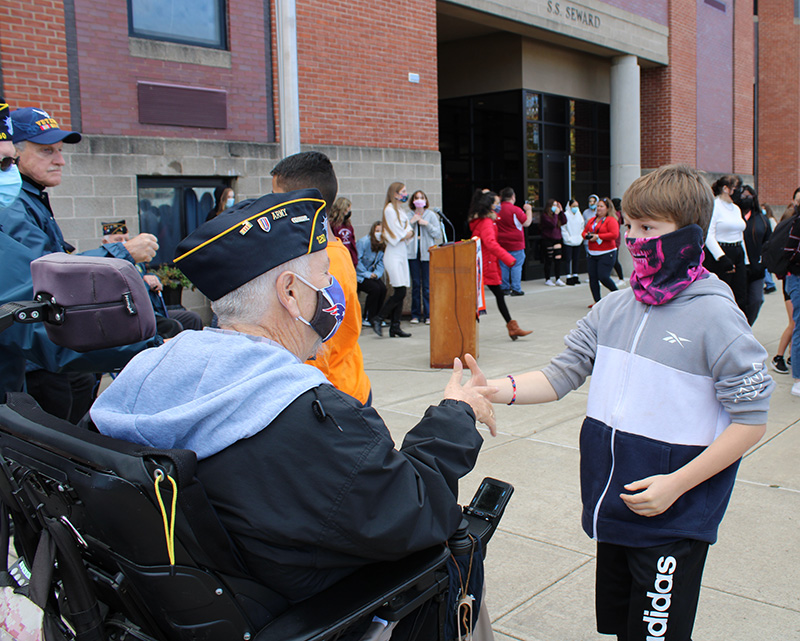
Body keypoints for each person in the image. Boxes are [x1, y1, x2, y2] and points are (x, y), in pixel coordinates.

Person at [89, 190, 497, 628]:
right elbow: (416, 510)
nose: (331, 292)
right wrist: (456, 413)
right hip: (311, 612)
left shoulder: (149, 375)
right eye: (323, 278)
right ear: (288, 291)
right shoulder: (308, 416)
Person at [483, 164, 772, 641]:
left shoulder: (717, 316)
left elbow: (751, 420)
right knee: (624, 631)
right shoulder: (615, 306)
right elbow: (562, 373)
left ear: (688, 236)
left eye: (648, 228)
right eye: (631, 226)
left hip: (674, 518)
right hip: (617, 507)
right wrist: (492, 388)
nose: (634, 240)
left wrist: (677, 485)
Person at [1, 106, 159, 421]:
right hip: (41, 362)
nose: (60, 160)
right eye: (47, 151)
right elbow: (39, 287)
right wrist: (121, 254)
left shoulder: (28, 198)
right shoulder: (14, 207)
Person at [270, 151, 371, 405]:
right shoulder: (323, 253)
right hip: (343, 387)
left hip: (335, 396)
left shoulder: (325, 265)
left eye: (277, 201)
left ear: (303, 204)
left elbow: (317, 347)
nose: (271, 209)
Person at [101, 220, 204, 335]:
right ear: (105, 242)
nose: (124, 243)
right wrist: (144, 282)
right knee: (172, 326)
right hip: (133, 315)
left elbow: (145, 274)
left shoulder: (135, 260)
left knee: (192, 318)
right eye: (118, 240)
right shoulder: (105, 265)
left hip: (153, 310)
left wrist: (153, 278)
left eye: (126, 239)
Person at [469, 190, 531, 341]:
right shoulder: (486, 223)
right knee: (478, 299)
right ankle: (469, 333)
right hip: (485, 264)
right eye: (496, 203)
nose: (499, 206)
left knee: (486, 297)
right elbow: (490, 243)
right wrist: (507, 258)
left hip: (484, 262)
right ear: (489, 205)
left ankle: (512, 327)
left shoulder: (483, 221)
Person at [372, 182, 412, 338]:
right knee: (399, 290)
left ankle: (395, 326)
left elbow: (409, 230)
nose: (405, 194)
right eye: (403, 191)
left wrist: (406, 234)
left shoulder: (401, 210)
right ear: (395, 193)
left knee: (401, 291)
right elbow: (398, 233)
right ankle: (379, 317)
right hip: (393, 253)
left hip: (402, 253)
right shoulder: (389, 210)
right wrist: (405, 234)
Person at [704, 174, 747, 314]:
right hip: (722, 254)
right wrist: (721, 257)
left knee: (740, 296)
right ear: (726, 188)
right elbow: (709, 234)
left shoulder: (736, 208)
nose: (739, 192)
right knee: (723, 296)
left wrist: (746, 260)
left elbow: (740, 234)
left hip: (737, 251)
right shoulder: (715, 206)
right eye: (737, 188)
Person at [407, 189, 443, 323]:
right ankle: (415, 315)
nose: (419, 200)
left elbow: (437, 234)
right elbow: (403, 230)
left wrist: (425, 224)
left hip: (427, 254)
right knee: (416, 285)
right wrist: (412, 221)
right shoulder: (408, 215)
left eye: (421, 198)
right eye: (416, 198)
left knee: (427, 286)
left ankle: (428, 314)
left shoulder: (431, 215)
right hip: (413, 253)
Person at [771, 204, 798, 375]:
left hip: (790, 279)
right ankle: (778, 357)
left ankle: (791, 356)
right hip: (791, 280)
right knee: (794, 323)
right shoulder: (792, 229)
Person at [739, 185, 771, 325]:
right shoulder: (735, 216)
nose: (746, 199)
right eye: (743, 196)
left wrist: (763, 263)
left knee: (756, 300)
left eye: (749, 196)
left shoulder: (762, 219)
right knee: (739, 301)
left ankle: (747, 326)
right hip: (739, 267)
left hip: (757, 268)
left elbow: (769, 242)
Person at [495, 187, 533, 296]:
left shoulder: (497, 209)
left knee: (503, 266)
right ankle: (516, 288)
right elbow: (526, 222)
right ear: (513, 197)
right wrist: (529, 210)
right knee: (516, 266)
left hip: (501, 242)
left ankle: (504, 287)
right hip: (516, 243)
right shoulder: (515, 210)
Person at [582, 197, 619, 305]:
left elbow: (614, 234)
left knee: (603, 276)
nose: (598, 208)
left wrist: (598, 236)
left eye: (601, 206)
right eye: (598, 206)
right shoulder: (592, 220)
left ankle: (618, 295)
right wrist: (587, 236)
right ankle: (597, 301)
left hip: (607, 253)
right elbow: (584, 232)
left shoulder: (611, 220)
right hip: (592, 253)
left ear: (607, 208)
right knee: (593, 278)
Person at [356, 221, 387, 327]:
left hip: (372, 274)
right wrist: (367, 274)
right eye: (377, 231)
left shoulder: (382, 244)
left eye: (381, 231)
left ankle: (377, 317)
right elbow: (357, 261)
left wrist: (377, 274)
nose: (379, 233)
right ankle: (368, 317)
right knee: (374, 289)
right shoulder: (363, 242)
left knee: (383, 288)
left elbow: (381, 262)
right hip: (360, 275)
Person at [540, 198, 566, 286]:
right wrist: (555, 214)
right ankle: (548, 278)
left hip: (557, 239)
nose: (555, 207)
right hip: (548, 239)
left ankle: (558, 278)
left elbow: (564, 221)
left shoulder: (557, 215)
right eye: (553, 205)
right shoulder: (545, 216)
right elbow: (552, 224)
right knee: (549, 260)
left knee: (558, 259)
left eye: (556, 205)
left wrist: (561, 211)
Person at [329, 197, 358, 267]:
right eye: (347, 211)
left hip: (348, 257)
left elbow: (352, 242)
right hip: (338, 258)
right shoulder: (332, 224)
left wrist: (354, 259)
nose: (348, 213)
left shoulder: (348, 225)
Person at [560, 198, 584, 285]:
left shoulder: (579, 215)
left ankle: (575, 275)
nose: (576, 208)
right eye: (574, 206)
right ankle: (568, 276)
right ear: (569, 206)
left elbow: (582, 227)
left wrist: (580, 237)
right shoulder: (566, 215)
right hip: (569, 241)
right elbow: (563, 228)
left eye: (577, 206)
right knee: (568, 259)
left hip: (578, 240)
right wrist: (568, 238)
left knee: (576, 259)